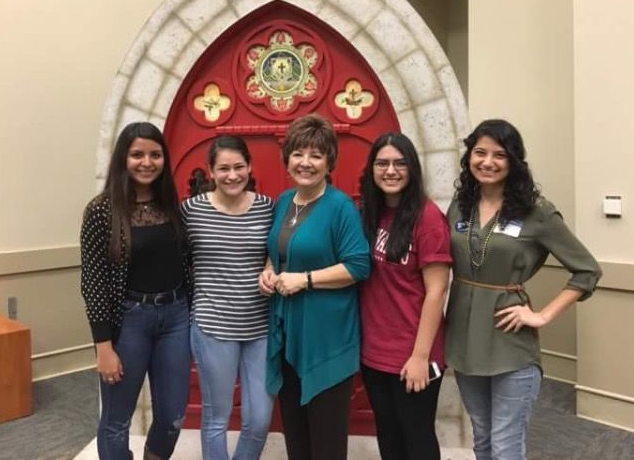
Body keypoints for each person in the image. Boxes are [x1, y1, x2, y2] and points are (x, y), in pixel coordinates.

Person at [446, 119, 602, 460]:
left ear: (514, 161)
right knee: (482, 440)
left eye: (499, 155)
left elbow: (587, 270)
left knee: (506, 445)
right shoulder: (460, 206)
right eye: (480, 152)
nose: (487, 162)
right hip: (463, 338)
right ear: (469, 157)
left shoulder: (537, 212)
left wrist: (542, 315)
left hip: (509, 342)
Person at [257, 113, 370, 460]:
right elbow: (281, 252)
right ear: (287, 157)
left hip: (326, 337)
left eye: (316, 155)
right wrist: (269, 270)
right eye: (298, 154)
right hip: (288, 330)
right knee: (296, 434)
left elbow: (358, 265)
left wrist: (304, 280)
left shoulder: (340, 208)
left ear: (329, 161)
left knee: (326, 439)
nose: (305, 162)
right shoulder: (284, 201)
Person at [80, 122, 191, 460]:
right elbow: (93, 282)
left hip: (175, 317)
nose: (147, 162)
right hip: (129, 322)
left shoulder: (174, 207)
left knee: (173, 415)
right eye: (137, 154)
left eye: (155, 154)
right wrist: (103, 347)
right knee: (116, 421)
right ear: (123, 159)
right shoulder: (101, 211)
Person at [359, 133, 452, 460]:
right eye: (382, 163)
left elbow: (436, 291)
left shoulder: (427, 219)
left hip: (414, 353)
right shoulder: (369, 214)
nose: (390, 170)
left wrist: (420, 357)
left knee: (417, 436)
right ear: (371, 169)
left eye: (400, 163)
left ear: (412, 169)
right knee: (388, 433)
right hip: (374, 352)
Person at [181, 136, 274, 460]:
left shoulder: (267, 208)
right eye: (223, 168)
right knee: (216, 418)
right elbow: (174, 259)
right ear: (211, 171)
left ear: (249, 166)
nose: (232, 175)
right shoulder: (191, 211)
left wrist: (269, 266)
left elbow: (279, 250)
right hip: (212, 326)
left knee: (259, 420)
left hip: (260, 328)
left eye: (238, 167)